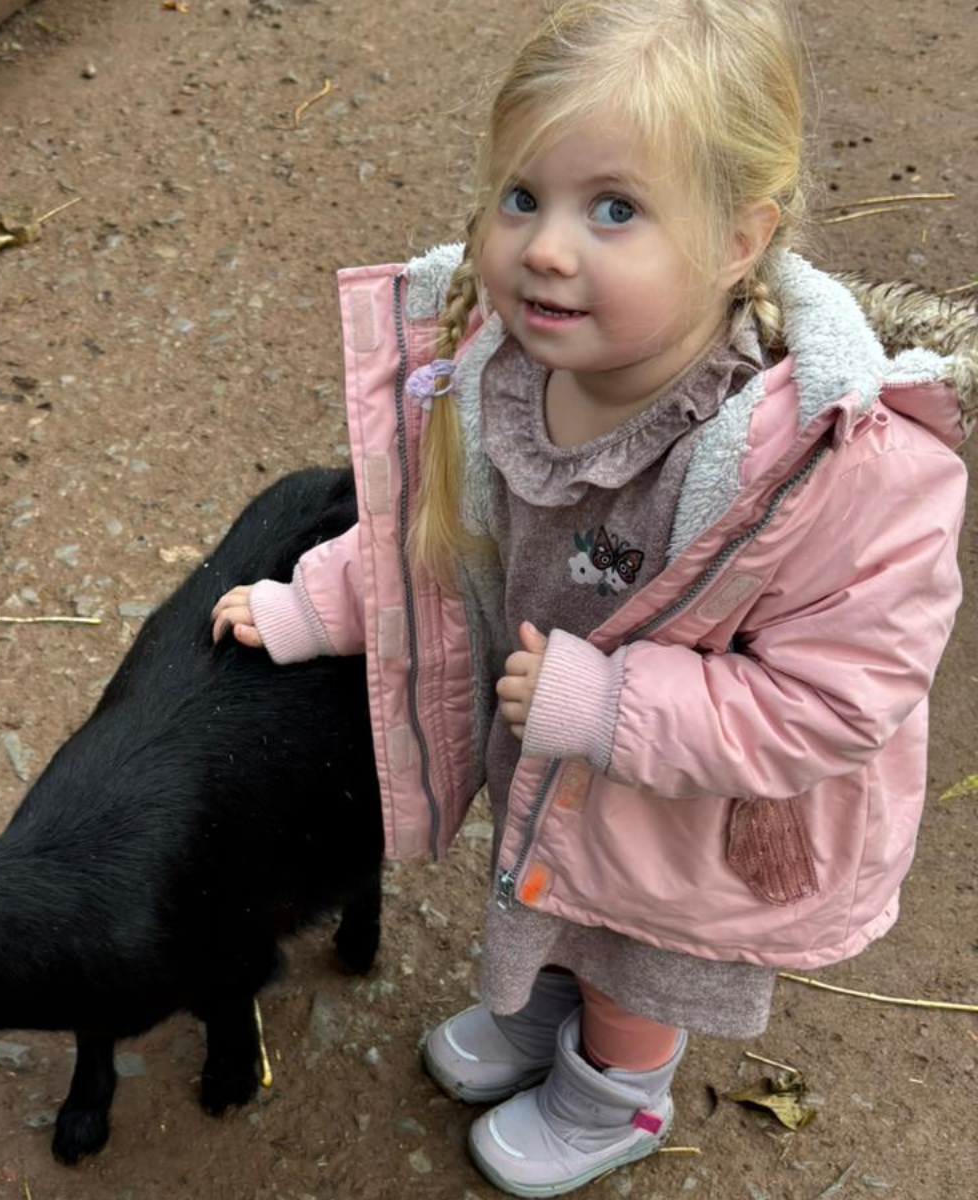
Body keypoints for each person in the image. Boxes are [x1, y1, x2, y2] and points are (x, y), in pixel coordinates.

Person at [210, 0, 974, 1195]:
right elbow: (445, 541)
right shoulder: (509, 377)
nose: (547, 248)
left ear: (739, 238)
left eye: (612, 209)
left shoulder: (833, 469)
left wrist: (611, 705)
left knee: (633, 957)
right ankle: (536, 1013)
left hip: (688, 811)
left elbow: (840, 698)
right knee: (555, 900)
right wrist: (322, 602)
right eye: (523, 197)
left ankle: (615, 1093)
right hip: (559, 754)